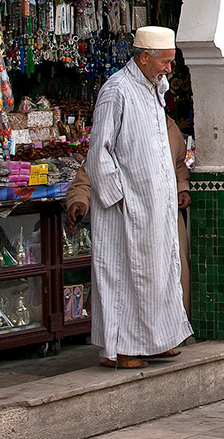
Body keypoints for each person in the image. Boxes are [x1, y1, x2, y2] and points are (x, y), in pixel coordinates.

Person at [85, 26, 194, 368]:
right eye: (164, 62)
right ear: (144, 57)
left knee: (159, 271)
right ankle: (123, 349)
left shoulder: (153, 89)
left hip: (156, 206)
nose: (169, 70)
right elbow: (98, 152)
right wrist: (119, 198)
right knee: (124, 275)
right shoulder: (116, 90)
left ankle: (157, 339)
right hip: (126, 206)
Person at [65, 111, 193, 320]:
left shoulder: (169, 127)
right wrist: (79, 200)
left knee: (172, 276)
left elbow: (178, 166)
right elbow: (91, 171)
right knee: (136, 284)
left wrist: (182, 189)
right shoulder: (121, 129)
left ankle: (171, 333)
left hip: (166, 219)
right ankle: (138, 343)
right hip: (131, 219)